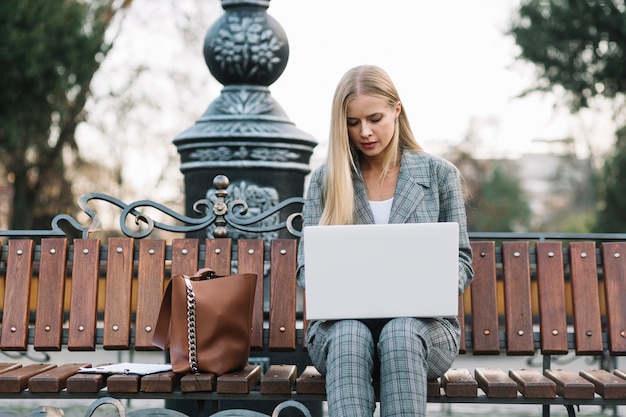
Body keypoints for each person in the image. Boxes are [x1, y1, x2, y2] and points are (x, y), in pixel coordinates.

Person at [296, 65, 474, 417]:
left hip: (425, 331)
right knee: (351, 335)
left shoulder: (439, 176)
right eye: (352, 122)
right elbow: (307, 267)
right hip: (339, 334)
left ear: (397, 109)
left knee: (400, 333)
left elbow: (462, 261)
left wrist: (434, 282)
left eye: (374, 118)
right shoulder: (325, 180)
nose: (365, 132)